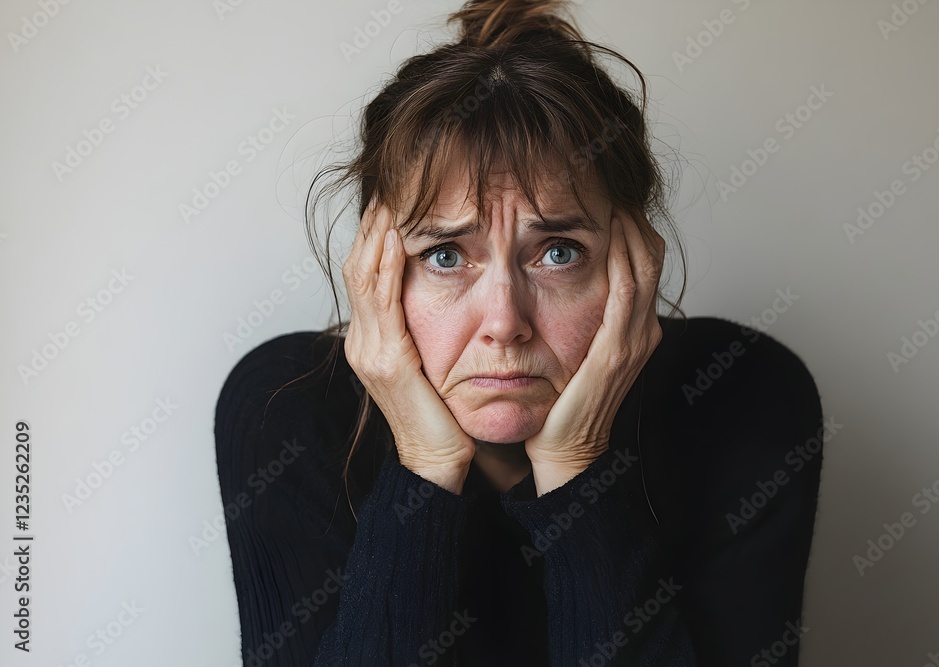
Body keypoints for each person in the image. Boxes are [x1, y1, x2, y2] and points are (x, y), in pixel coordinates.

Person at [213, 1, 826, 665]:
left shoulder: (740, 393)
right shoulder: (289, 409)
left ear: (634, 263)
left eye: (558, 252)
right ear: (376, 270)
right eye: (445, 254)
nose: (505, 323)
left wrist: (575, 467)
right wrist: (424, 465)